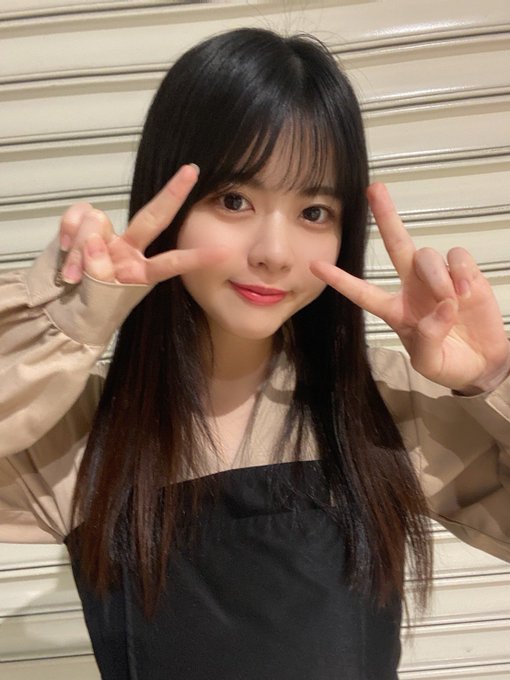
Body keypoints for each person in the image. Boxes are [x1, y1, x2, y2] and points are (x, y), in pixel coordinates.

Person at [1, 27, 509, 680]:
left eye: (314, 211)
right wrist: (59, 322)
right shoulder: (80, 434)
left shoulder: (383, 409)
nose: (273, 251)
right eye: (234, 200)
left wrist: (493, 379)